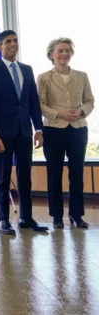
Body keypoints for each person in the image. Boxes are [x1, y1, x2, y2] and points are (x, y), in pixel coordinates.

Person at [0, 30, 48, 234]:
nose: (13, 44)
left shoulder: (27, 70)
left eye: (15, 41)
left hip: (24, 133)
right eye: (8, 41)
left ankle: (26, 218)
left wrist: (38, 129)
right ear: (0, 46)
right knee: (2, 177)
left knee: (24, 177)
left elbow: (32, 103)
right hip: (2, 134)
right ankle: (3, 219)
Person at [37, 37, 94, 229]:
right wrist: (59, 113)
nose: (64, 54)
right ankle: (57, 216)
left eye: (67, 50)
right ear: (51, 55)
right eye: (60, 51)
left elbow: (90, 101)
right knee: (54, 174)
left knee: (77, 173)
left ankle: (76, 215)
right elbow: (40, 105)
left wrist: (81, 111)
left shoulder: (82, 76)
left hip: (78, 129)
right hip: (54, 130)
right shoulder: (44, 77)